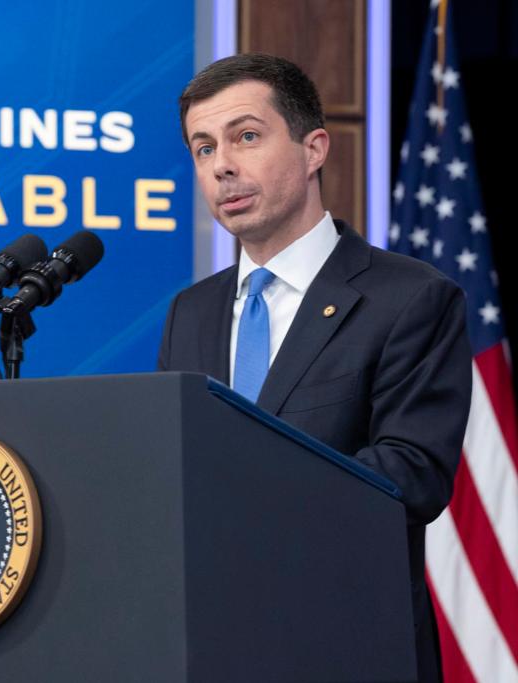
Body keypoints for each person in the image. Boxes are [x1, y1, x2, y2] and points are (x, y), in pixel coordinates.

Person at [156, 53, 472, 682]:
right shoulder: (190, 313)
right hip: (208, 651)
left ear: (313, 149)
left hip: (345, 645)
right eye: (202, 147)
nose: (222, 164)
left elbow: (412, 474)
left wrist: (242, 497)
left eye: (246, 136)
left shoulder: (410, 297)